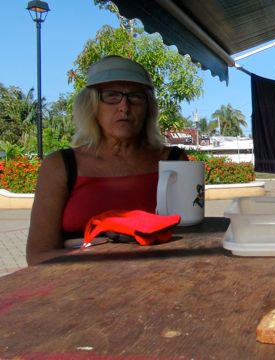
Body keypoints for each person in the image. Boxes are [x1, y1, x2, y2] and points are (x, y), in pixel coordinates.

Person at [26, 55, 188, 265]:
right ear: (92, 105)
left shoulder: (175, 161)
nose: (124, 107)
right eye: (111, 96)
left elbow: (193, 239)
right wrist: (102, 259)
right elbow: (37, 256)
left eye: (136, 97)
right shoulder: (60, 166)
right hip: (77, 289)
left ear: (148, 107)